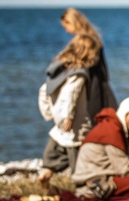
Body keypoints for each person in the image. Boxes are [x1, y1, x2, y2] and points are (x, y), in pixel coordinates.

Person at [36, 34, 99, 187]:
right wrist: (68, 116)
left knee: (56, 150)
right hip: (75, 123)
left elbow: (44, 91)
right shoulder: (78, 73)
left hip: (59, 123)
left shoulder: (60, 70)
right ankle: (82, 186)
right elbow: (71, 94)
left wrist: (49, 113)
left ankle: (47, 171)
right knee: (77, 157)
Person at [59, 8, 117, 116]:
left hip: (92, 88)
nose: (66, 30)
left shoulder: (86, 42)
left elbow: (78, 69)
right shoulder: (94, 38)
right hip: (100, 86)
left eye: (66, 26)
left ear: (73, 22)